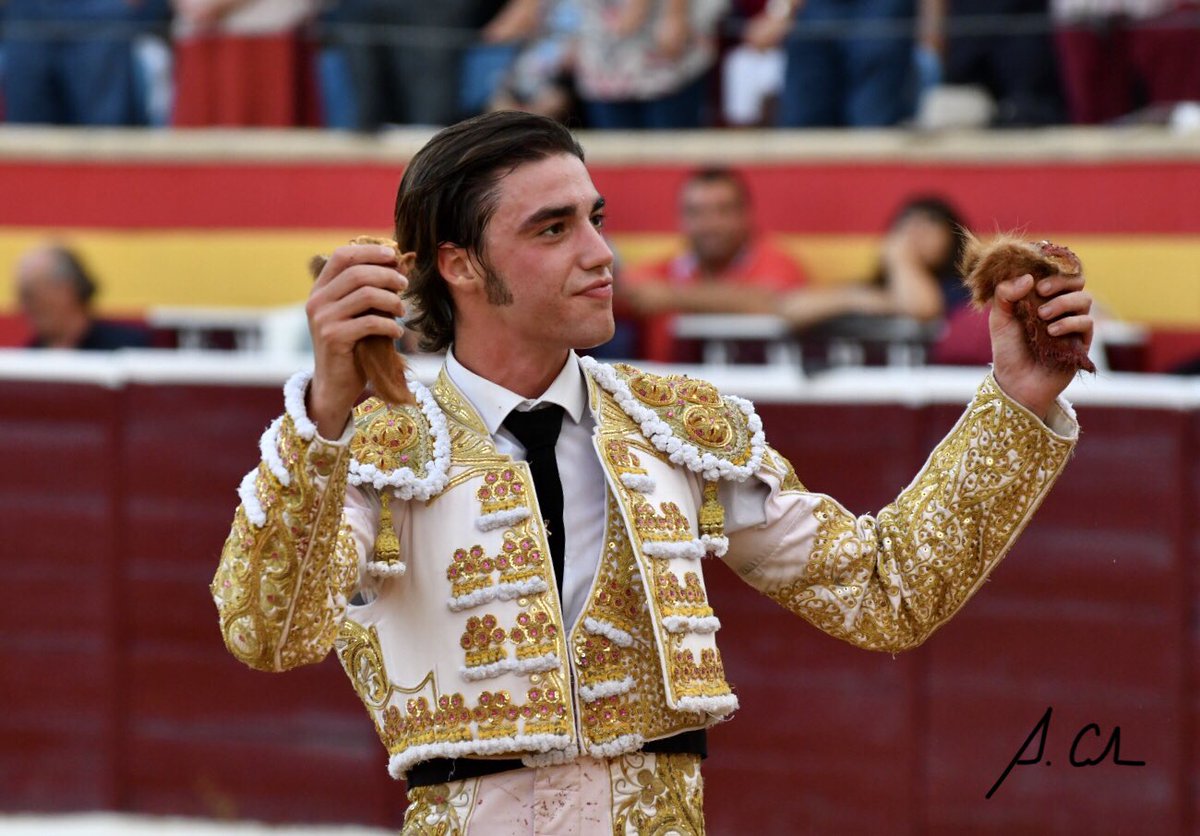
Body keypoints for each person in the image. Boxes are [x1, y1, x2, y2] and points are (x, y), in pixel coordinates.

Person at [211, 111, 1091, 833]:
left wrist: (1017, 400)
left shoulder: (677, 429)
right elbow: (269, 634)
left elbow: (887, 589)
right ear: (459, 265)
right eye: (554, 229)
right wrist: (321, 424)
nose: (601, 255)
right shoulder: (372, 448)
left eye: (597, 219)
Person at [621, 166, 810, 361]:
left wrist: (670, 296)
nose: (710, 224)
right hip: (663, 387)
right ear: (681, 218)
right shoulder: (665, 269)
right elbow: (621, 290)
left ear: (746, 214)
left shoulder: (775, 263)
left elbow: (776, 303)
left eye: (723, 211)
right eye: (696, 212)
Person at [15, 244, 151, 350]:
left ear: (66, 290)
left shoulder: (130, 350)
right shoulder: (25, 363)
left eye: (31, 295)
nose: (25, 307)